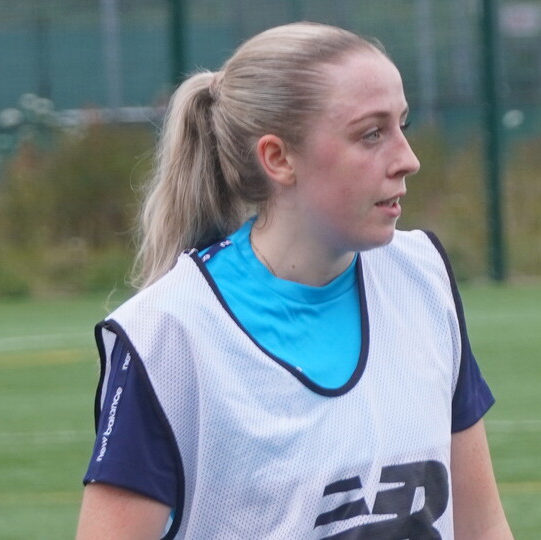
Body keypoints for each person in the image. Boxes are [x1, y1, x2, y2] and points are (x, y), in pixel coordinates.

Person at [75, 22, 513, 539]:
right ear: (278, 159)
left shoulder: (421, 278)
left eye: (402, 125)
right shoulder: (169, 335)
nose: (407, 159)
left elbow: (481, 529)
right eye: (371, 134)